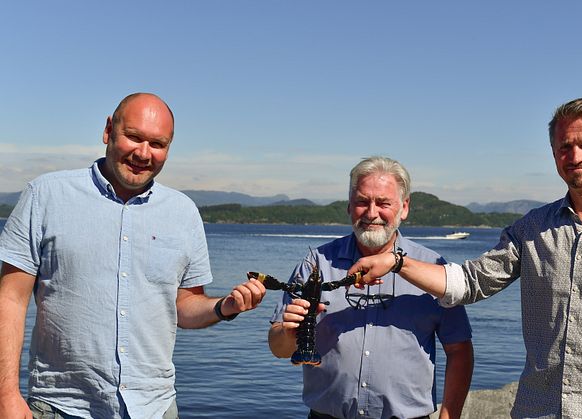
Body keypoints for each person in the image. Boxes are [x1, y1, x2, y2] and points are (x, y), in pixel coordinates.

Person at [350, 97, 582, 418]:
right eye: (565, 147)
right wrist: (397, 262)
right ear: (553, 152)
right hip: (537, 410)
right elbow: (469, 282)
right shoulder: (531, 228)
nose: (575, 156)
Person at [0, 93, 267, 419]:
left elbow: (183, 307)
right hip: (62, 406)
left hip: (155, 407)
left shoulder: (183, 212)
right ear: (108, 130)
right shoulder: (46, 195)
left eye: (158, 143)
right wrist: (6, 395)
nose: (144, 153)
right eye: (134, 137)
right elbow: (10, 300)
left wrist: (225, 307)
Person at [268, 156, 473, 419]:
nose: (371, 213)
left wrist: (449, 416)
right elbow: (278, 348)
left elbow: (459, 350)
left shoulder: (434, 268)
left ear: (404, 207)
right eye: (362, 202)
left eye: (383, 203)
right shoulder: (315, 264)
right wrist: (287, 332)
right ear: (349, 207)